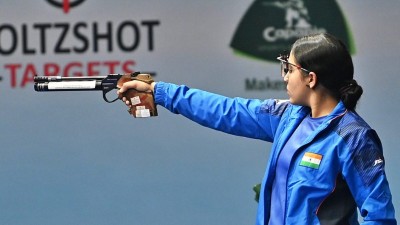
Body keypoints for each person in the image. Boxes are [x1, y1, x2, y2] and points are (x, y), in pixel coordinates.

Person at [118, 33, 397, 225]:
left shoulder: (353, 136)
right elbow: (226, 110)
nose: (285, 77)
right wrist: (159, 92)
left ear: (310, 78)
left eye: (289, 68)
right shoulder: (288, 116)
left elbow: (380, 217)